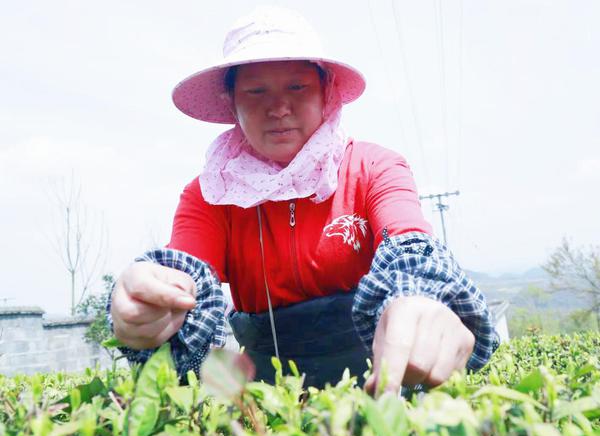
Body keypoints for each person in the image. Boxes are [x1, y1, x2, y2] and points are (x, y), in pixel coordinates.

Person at [107, 6, 498, 394]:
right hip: (271, 401)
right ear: (231, 101)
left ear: (326, 91)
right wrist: (150, 304)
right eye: (256, 90)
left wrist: (420, 298)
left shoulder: (375, 167)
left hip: (383, 387)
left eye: (297, 87)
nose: (278, 108)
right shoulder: (210, 194)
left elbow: (411, 248)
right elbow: (184, 279)